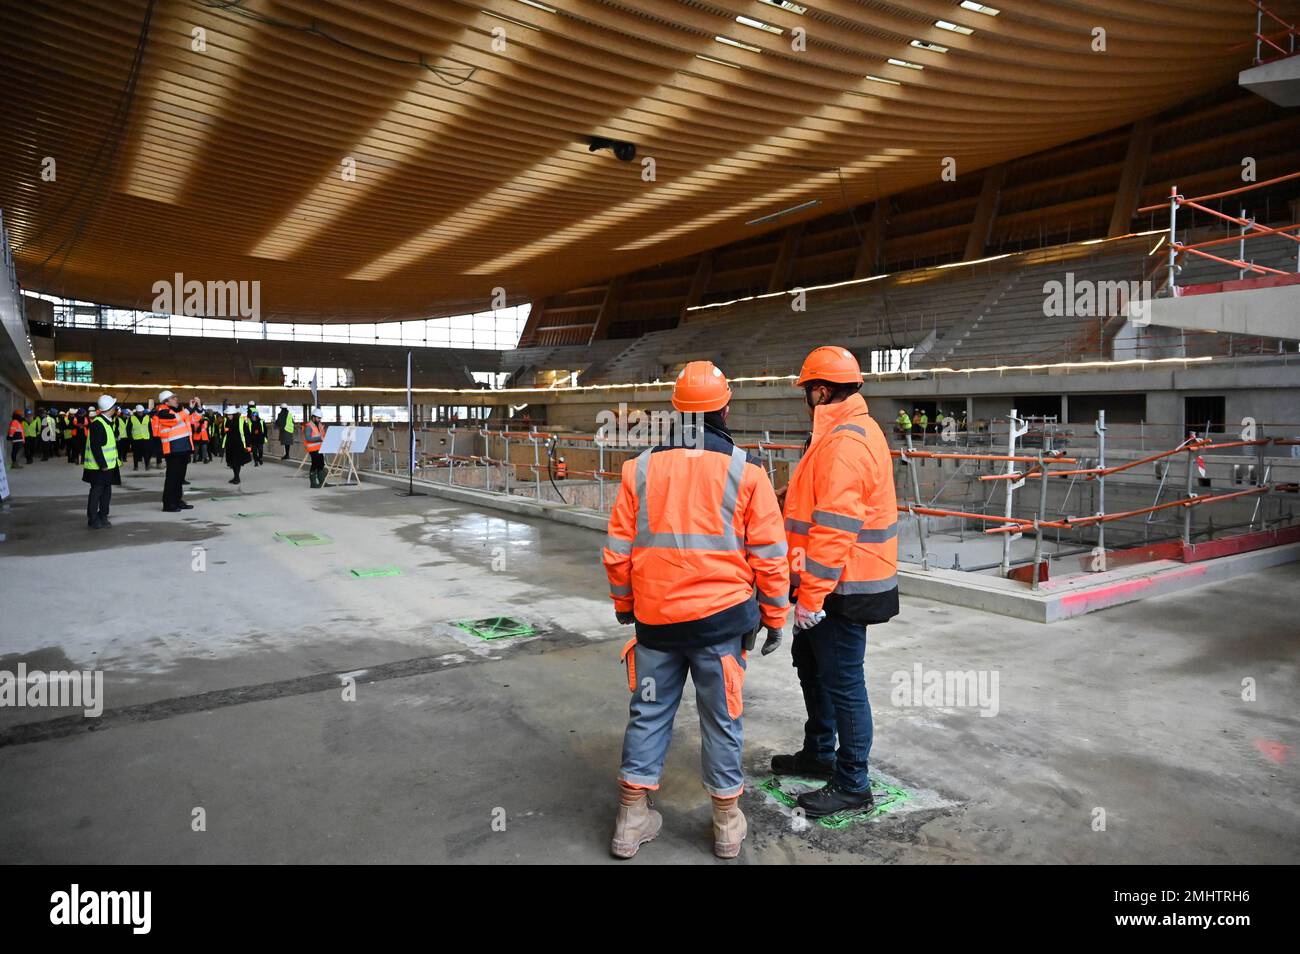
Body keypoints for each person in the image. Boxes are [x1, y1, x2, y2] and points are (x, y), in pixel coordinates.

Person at [603, 361, 789, 860]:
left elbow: (618, 551)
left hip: (657, 624)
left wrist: (626, 605)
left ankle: (631, 819)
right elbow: (770, 556)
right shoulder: (746, 472)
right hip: (721, 624)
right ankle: (727, 825)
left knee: (648, 713)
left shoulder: (639, 469)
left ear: (677, 411)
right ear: (724, 408)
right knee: (722, 718)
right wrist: (774, 617)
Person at [774, 346, 899, 819]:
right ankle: (819, 753)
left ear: (821, 391)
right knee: (811, 664)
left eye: (808, 390)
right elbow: (816, 500)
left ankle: (852, 782)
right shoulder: (836, 434)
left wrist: (810, 597)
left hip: (841, 587)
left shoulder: (846, 442)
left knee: (844, 681)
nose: (806, 398)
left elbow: (833, 529)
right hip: (832, 583)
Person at [83, 394, 122, 529]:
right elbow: (95, 446)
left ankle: (103, 515)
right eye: (114, 406)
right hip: (99, 467)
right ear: (110, 408)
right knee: (96, 492)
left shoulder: (107, 422)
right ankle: (93, 519)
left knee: (106, 493)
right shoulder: (98, 424)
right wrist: (103, 464)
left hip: (108, 466)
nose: (116, 408)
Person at [152, 390, 194, 512]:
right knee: (172, 478)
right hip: (173, 449)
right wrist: (188, 410)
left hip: (183, 448)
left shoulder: (179, 411)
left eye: (176, 397)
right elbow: (174, 420)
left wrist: (196, 407)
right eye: (173, 397)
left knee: (180, 478)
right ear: (166, 401)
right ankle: (168, 504)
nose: (176, 399)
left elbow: (194, 419)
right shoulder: (163, 412)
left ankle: (177, 501)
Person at [224, 403, 252, 485]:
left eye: (230, 414)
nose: (228, 416)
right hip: (230, 445)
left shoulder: (241, 421)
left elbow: (247, 433)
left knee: (237, 462)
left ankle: (237, 477)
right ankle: (235, 476)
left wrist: (248, 445)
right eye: (228, 414)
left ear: (234, 414)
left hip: (239, 445)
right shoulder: (227, 421)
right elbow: (225, 432)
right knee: (232, 462)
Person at [303, 408, 326, 487]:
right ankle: (313, 483)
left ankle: (322, 482)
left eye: (320, 418)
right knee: (315, 464)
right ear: (313, 417)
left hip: (320, 448)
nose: (319, 420)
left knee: (321, 464)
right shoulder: (309, 426)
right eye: (318, 418)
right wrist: (319, 438)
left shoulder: (319, 425)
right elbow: (308, 438)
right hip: (313, 449)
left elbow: (322, 436)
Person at [128, 405, 152, 470]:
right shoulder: (132, 418)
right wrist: (130, 439)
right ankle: (136, 466)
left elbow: (150, 429)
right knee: (135, 454)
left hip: (146, 439)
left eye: (141, 412)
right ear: (136, 411)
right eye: (139, 412)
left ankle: (147, 466)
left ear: (143, 411)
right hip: (136, 439)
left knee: (146, 454)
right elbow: (128, 429)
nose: (140, 413)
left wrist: (151, 438)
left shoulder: (147, 417)